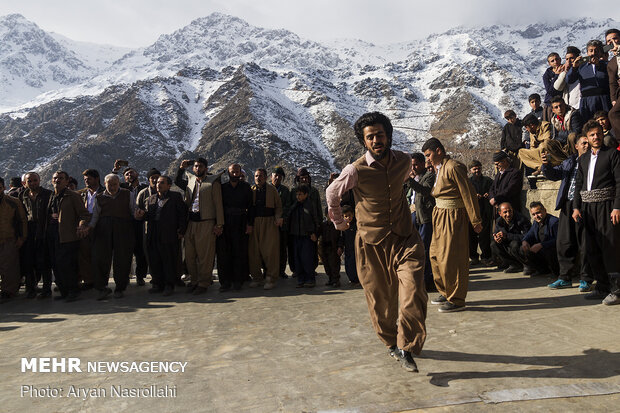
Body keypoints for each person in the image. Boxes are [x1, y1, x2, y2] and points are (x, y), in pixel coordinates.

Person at [326, 111, 427, 372]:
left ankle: (407, 345)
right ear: (364, 141)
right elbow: (332, 192)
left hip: (405, 238)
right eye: (370, 137)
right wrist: (339, 223)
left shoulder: (404, 161)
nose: (376, 140)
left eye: (380, 135)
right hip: (372, 243)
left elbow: (404, 180)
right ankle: (391, 343)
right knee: (381, 300)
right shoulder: (355, 170)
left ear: (388, 136)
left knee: (414, 290)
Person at [424, 138, 482, 313]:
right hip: (439, 215)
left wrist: (476, 220)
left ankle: (456, 298)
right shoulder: (439, 168)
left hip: (452, 216)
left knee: (452, 258)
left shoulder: (454, 167)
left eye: (429, 155)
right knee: (435, 255)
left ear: (439, 151)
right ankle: (445, 291)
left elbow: (468, 193)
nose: (427, 159)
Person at [572, 120, 620, 305]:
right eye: (592, 135)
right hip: (587, 209)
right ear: (587, 137)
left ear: (603, 134)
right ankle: (601, 287)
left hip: (607, 207)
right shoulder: (583, 159)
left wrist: (617, 207)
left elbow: (619, 182)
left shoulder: (612, 155)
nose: (596, 137)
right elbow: (578, 184)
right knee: (591, 249)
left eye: (598, 133)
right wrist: (576, 207)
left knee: (610, 248)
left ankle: (616, 290)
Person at [542, 135, 595, 290]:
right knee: (564, 241)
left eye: (588, 143)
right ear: (577, 146)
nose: (587, 145)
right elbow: (553, 175)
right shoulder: (569, 162)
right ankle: (565, 277)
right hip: (567, 205)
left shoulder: (594, 161)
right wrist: (546, 165)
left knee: (585, 242)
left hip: (586, 206)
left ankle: (586, 278)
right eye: (583, 143)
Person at [175, 157, 224, 294]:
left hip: (206, 222)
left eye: (200, 166)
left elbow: (218, 204)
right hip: (191, 222)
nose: (197, 168)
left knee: (205, 255)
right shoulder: (190, 181)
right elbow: (177, 181)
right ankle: (194, 280)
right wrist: (181, 169)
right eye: (196, 166)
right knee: (190, 255)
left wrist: (219, 224)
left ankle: (204, 282)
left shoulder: (213, 183)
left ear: (206, 168)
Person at [136, 176, 187, 296]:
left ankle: (169, 285)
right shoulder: (151, 199)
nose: (158, 184)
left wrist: (181, 230)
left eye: (162, 183)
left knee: (168, 259)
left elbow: (182, 215)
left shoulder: (175, 197)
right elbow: (149, 216)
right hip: (153, 233)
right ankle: (158, 284)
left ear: (169, 185)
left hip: (169, 233)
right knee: (154, 259)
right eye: (158, 182)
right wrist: (142, 215)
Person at [46, 171, 90, 302]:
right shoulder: (51, 196)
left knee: (67, 265)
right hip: (53, 235)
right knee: (56, 265)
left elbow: (84, 214)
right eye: (55, 178)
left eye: (60, 178)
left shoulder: (72, 196)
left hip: (68, 236)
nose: (57, 180)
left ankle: (73, 291)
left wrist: (81, 225)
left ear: (66, 181)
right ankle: (64, 291)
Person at [89, 174, 135, 300]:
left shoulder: (127, 194)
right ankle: (102, 288)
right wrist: (90, 227)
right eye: (110, 184)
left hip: (123, 229)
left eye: (115, 184)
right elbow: (95, 216)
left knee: (122, 258)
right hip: (103, 230)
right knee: (101, 258)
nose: (113, 187)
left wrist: (137, 216)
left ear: (119, 183)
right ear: (105, 184)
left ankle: (120, 288)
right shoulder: (99, 197)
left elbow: (133, 211)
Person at [215, 164, 253, 291]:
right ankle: (225, 282)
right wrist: (218, 224)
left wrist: (249, 223)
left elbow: (251, 207)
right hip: (225, 222)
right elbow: (217, 206)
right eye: (233, 172)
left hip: (241, 221)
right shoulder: (222, 188)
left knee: (239, 252)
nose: (235, 174)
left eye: (237, 172)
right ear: (228, 173)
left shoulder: (246, 187)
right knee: (223, 253)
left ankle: (238, 281)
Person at [112, 162, 149, 286]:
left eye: (131, 172)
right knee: (125, 252)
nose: (129, 175)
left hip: (140, 224)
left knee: (141, 252)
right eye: (126, 174)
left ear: (137, 174)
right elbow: (109, 185)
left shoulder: (145, 188)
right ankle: (125, 276)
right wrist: (115, 171)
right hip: (125, 224)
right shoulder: (121, 189)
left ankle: (140, 276)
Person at [18, 172, 52, 299]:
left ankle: (46, 289)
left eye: (34, 180)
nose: (32, 183)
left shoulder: (48, 194)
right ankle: (31, 288)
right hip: (29, 231)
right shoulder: (23, 195)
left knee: (44, 261)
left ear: (39, 180)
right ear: (25, 183)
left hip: (44, 230)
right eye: (29, 181)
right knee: (29, 261)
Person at [249, 168, 283, 290]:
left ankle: (271, 278)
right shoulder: (251, 190)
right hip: (255, 223)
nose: (258, 178)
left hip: (269, 222)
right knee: (254, 252)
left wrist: (278, 218)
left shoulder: (272, 190)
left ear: (266, 177)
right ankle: (257, 278)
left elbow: (278, 207)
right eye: (256, 175)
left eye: (261, 176)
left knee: (270, 251)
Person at [406, 152, 435, 290]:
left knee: (425, 248)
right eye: (412, 165)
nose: (414, 167)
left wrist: (410, 180)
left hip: (425, 218)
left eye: (416, 164)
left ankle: (427, 280)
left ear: (423, 163)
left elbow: (424, 191)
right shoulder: (414, 178)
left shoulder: (428, 176)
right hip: (414, 216)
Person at [567, 40, 612, 122]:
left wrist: (598, 65)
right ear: (587, 52)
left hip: (604, 99)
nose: (593, 53)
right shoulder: (581, 66)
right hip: (587, 101)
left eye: (596, 51)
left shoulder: (607, 65)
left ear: (601, 53)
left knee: (607, 122)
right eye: (591, 50)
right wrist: (574, 67)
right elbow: (569, 80)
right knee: (589, 123)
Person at [0, 177, 27, 302]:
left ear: (4, 188)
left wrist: (22, 238)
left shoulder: (13, 202)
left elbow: (22, 221)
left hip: (9, 238)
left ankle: (8, 291)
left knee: (9, 267)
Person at [76, 169, 104, 290]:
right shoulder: (81, 194)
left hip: (101, 225)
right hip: (85, 226)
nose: (87, 181)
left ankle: (101, 280)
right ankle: (88, 280)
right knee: (84, 253)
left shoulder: (104, 192)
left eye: (89, 179)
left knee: (100, 254)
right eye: (85, 179)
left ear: (97, 179)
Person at [289, 185, 320, 288]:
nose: (298, 196)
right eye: (297, 194)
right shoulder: (295, 205)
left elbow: (315, 219)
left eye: (300, 194)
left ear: (306, 195)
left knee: (307, 258)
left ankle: (310, 279)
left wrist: (315, 233)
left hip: (307, 235)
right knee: (298, 259)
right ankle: (301, 279)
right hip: (296, 235)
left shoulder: (310, 205)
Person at [490, 202, 532, 273]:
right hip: (507, 245)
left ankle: (526, 264)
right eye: (505, 212)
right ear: (500, 214)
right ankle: (513, 264)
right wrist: (497, 238)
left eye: (510, 211)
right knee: (494, 244)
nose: (508, 214)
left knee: (514, 244)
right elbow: (496, 233)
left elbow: (527, 236)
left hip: (520, 245)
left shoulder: (521, 220)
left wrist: (507, 236)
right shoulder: (499, 221)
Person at [521, 202, 560, 278]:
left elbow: (559, 239)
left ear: (544, 210)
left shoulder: (554, 222)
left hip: (553, 250)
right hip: (541, 250)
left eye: (538, 213)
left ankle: (556, 272)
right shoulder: (536, 222)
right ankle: (542, 270)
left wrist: (541, 245)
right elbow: (530, 234)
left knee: (549, 251)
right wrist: (524, 241)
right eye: (534, 214)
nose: (536, 216)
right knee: (524, 248)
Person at [468, 160, 494, 266]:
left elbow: (493, 190)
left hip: (485, 211)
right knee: (471, 236)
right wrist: (474, 196)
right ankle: (473, 257)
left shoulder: (488, 180)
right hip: (472, 212)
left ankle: (486, 257)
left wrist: (489, 194)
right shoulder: (468, 182)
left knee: (484, 236)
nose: (477, 170)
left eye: (478, 168)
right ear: (470, 170)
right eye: (474, 169)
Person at [272, 166, 292, 279]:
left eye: (280, 176)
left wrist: (281, 218)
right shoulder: (268, 188)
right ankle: (269, 270)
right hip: (270, 224)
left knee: (282, 249)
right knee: (269, 248)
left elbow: (287, 206)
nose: (277, 178)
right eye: (276, 175)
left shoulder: (285, 190)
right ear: (271, 176)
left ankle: (281, 270)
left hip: (282, 225)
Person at [488, 151, 522, 215]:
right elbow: (492, 188)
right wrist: (492, 199)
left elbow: (510, 189)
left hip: (510, 209)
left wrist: (496, 199)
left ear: (504, 161)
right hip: (499, 209)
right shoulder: (498, 174)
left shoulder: (515, 173)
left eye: (497, 164)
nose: (496, 167)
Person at [553, 46, 582, 110]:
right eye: (567, 59)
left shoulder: (583, 70)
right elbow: (557, 87)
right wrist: (565, 72)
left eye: (571, 58)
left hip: (581, 105)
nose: (569, 61)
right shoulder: (565, 73)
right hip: (570, 108)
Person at [338, 205, 360, 287]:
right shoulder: (343, 226)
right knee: (348, 265)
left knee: (354, 265)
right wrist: (340, 247)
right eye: (346, 216)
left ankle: (356, 280)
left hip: (356, 249)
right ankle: (352, 279)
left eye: (349, 215)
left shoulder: (357, 225)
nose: (348, 218)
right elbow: (341, 238)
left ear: (353, 214)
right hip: (347, 249)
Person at [320, 206, 342, 287]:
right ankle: (330, 279)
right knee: (327, 265)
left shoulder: (337, 225)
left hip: (334, 248)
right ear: (326, 215)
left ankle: (336, 280)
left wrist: (340, 247)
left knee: (334, 265)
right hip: (325, 247)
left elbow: (340, 237)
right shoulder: (323, 225)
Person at [606, 29, 620, 140]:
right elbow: (612, 83)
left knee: (613, 114)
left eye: (615, 38)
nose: (613, 42)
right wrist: (613, 99)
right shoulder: (611, 63)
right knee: (613, 113)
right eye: (609, 41)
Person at [543, 52, 564, 121]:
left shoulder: (566, 69)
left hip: (563, 103)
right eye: (552, 61)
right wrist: (556, 75)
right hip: (550, 104)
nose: (555, 62)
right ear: (549, 63)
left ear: (560, 59)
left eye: (557, 59)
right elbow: (550, 90)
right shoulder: (547, 75)